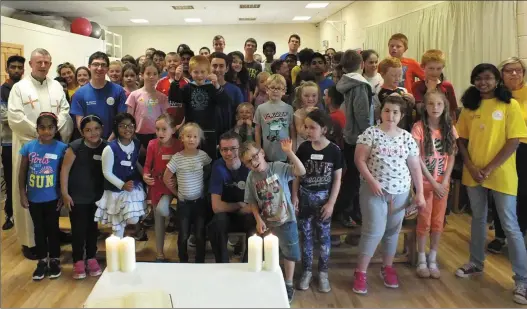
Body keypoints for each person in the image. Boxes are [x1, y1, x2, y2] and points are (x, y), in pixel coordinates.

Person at [454, 63, 527, 304]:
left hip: (501, 173)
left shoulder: (510, 105)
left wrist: (488, 168)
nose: (483, 82)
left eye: (488, 78)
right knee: (478, 218)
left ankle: (522, 280)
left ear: (497, 80)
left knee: (509, 223)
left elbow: (514, 140)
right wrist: (472, 167)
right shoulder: (469, 107)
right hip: (473, 172)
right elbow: (461, 140)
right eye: (478, 78)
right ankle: (476, 263)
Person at [352, 94, 425, 295]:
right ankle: (360, 272)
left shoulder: (407, 137)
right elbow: (360, 160)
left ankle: (387, 266)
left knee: (392, 231)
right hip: (374, 190)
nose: (390, 115)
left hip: (400, 191)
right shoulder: (371, 133)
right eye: (387, 111)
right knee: (373, 231)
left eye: (395, 112)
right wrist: (372, 181)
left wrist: (419, 194)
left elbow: (414, 167)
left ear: (401, 115)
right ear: (380, 112)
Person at [8, 48, 73, 260]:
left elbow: (64, 111)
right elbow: (15, 117)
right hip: (30, 147)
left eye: (46, 62)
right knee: (31, 191)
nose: (43, 65)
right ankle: (30, 241)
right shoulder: (19, 88)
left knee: (54, 189)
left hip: (53, 149)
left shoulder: (56, 86)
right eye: (39, 62)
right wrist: (40, 135)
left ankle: (54, 233)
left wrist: (54, 131)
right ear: (31, 64)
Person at [241, 138, 306, 303]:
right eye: (248, 161)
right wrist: (258, 219)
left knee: (289, 253)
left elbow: (301, 171)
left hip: (286, 220)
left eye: (255, 156)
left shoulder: (277, 167)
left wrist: (289, 152)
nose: (254, 162)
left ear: (262, 153)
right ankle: (271, 281)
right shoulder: (251, 178)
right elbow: (252, 202)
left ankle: (288, 283)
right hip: (267, 222)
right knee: (270, 253)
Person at [292, 109, 343, 293]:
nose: (308, 131)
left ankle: (323, 272)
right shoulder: (304, 148)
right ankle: (306, 271)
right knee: (305, 237)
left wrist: (331, 203)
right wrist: (295, 195)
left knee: (323, 238)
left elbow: (338, 179)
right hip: (305, 201)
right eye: (306, 127)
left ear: (324, 129)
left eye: (312, 127)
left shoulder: (334, 150)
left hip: (324, 203)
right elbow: (297, 175)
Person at [411, 91, 458, 279]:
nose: (435, 108)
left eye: (439, 104)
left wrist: (445, 180)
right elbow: (417, 158)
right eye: (431, 104)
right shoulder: (419, 127)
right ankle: (421, 258)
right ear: (425, 107)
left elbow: (452, 156)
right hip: (425, 183)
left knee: (438, 222)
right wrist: (432, 182)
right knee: (424, 221)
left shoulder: (450, 128)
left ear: (444, 106)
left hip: (442, 184)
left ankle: (433, 258)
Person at [18, 112, 68, 280]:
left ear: (55, 129)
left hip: (52, 198)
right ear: (37, 129)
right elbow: (22, 172)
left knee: (53, 229)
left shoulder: (61, 148)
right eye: (42, 128)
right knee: (38, 230)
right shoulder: (29, 147)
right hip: (34, 198)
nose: (46, 131)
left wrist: (62, 194)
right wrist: (22, 194)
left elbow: (63, 173)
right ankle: (41, 260)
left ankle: (54, 260)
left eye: (50, 128)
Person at [488, 57, 527, 253]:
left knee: (523, 192)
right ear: (501, 75)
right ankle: (501, 235)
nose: (514, 74)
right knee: (499, 190)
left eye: (518, 70)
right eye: (509, 70)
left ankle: (520, 234)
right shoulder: (495, 95)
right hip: (500, 149)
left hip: (524, 149)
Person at [60, 115, 106, 279]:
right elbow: (64, 170)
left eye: (96, 129)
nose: (93, 133)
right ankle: (78, 260)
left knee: (93, 229)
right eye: (88, 130)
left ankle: (92, 257)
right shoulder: (75, 147)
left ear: (101, 129)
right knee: (78, 230)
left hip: (96, 197)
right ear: (82, 132)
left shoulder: (106, 147)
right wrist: (65, 194)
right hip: (77, 197)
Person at [163, 122, 212, 263]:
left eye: (195, 136)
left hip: (200, 203)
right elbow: (167, 177)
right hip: (184, 204)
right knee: (183, 235)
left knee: (199, 234)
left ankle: (199, 261)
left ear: (199, 139)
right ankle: (183, 261)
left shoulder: (203, 156)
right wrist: (175, 192)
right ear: (182, 138)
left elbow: (209, 170)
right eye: (188, 136)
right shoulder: (177, 157)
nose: (191, 139)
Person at [168, 55, 234, 159]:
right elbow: (174, 99)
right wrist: (176, 79)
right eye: (196, 72)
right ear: (190, 72)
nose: (199, 75)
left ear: (208, 72)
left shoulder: (212, 87)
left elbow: (225, 103)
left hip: (210, 131)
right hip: (191, 133)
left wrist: (217, 85)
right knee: (192, 158)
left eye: (203, 72)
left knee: (209, 159)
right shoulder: (187, 88)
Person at [334, 50, 372, 227]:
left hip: (349, 135)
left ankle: (352, 211)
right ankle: (342, 211)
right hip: (360, 137)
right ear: (362, 65)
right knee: (355, 179)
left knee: (352, 177)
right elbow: (362, 114)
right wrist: (370, 137)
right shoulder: (360, 85)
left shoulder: (345, 82)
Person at [95, 113, 147, 238]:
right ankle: (117, 249)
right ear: (116, 128)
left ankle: (124, 242)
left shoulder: (136, 143)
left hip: (132, 187)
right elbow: (106, 172)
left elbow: (135, 162)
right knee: (118, 224)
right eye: (122, 126)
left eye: (130, 125)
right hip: (116, 190)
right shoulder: (110, 148)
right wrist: (122, 185)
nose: (127, 129)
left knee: (133, 218)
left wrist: (144, 175)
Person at [207, 131, 256, 263]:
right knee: (218, 222)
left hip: (247, 215)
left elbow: (256, 203)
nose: (228, 153)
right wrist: (239, 206)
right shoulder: (218, 167)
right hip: (227, 215)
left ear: (240, 148)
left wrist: (247, 208)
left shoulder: (250, 166)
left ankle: (248, 263)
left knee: (257, 221)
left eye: (233, 149)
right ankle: (223, 264)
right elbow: (216, 207)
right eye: (224, 150)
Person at [143, 113, 183, 262]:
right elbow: (147, 165)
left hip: (173, 185)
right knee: (158, 221)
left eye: (164, 129)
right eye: (157, 129)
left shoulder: (179, 144)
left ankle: (174, 215)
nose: (160, 133)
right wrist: (145, 175)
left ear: (173, 129)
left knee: (162, 209)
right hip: (157, 184)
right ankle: (160, 253)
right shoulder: (152, 144)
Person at [71, 51, 127, 140]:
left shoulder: (118, 91)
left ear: (107, 68)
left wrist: (110, 140)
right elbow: (80, 122)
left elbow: (121, 119)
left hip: (113, 140)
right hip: (90, 141)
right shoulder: (79, 93)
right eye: (95, 64)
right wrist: (92, 140)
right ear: (89, 67)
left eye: (103, 65)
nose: (99, 68)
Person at [126, 59, 169, 159]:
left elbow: (165, 119)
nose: (151, 76)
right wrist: (132, 137)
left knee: (155, 161)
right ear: (141, 75)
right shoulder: (134, 95)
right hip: (137, 135)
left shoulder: (162, 97)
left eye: (154, 74)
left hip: (157, 135)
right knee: (138, 160)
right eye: (148, 73)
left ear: (158, 76)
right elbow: (129, 119)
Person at [1, 55, 25, 231]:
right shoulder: (3, 90)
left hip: (29, 142)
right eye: (13, 67)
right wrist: (22, 119)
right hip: (10, 142)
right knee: (12, 181)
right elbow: (4, 116)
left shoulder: (26, 89)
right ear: (7, 69)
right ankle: (10, 214)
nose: (16, 70)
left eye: (19, 67)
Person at [254, 74, 295, 162]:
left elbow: (292, 131)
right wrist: (258, 148)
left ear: (284, 91)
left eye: (278, 88)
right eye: (272, 87)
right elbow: (257, 130)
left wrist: (292, 152)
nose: (275, 91)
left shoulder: (289, 108)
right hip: (267, 153)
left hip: (285, 153)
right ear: (267, 89)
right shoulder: (261, 108)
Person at [412, 49, 457, 121]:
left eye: (438, 69)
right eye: (431, 68)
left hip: (444, 126)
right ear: (423, 67)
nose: (435, 72)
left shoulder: (447, 86)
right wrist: (430, 91)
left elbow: (452, 111)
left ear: (443, 67)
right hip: (423, 127)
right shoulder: (417, 86)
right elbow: (420, 110)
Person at [377, 57, 416, 131]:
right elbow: (376, 114)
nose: (397, 78)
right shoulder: (378, 92)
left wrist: (412, 102)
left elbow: (410, 110)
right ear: (382, 75)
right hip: (388, 130)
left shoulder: (403, 90)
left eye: (400, 75)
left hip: (405, 128)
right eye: (393, 75)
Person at [294, 81, 320, 149]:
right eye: (306, 96)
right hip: (303, 149)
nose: (310, 99)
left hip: (317, 148)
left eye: (314, 95)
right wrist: (307, 115)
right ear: (300, 96)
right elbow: (304, 135)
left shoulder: (320, 112)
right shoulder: (298, 113)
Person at [361, 50, 383, 121]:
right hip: (365, 116)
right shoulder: (360, 79)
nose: (374, 65)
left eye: (376, 62)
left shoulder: (382, 78)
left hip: (381, 116)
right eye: (371, 62)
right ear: (363, 63)